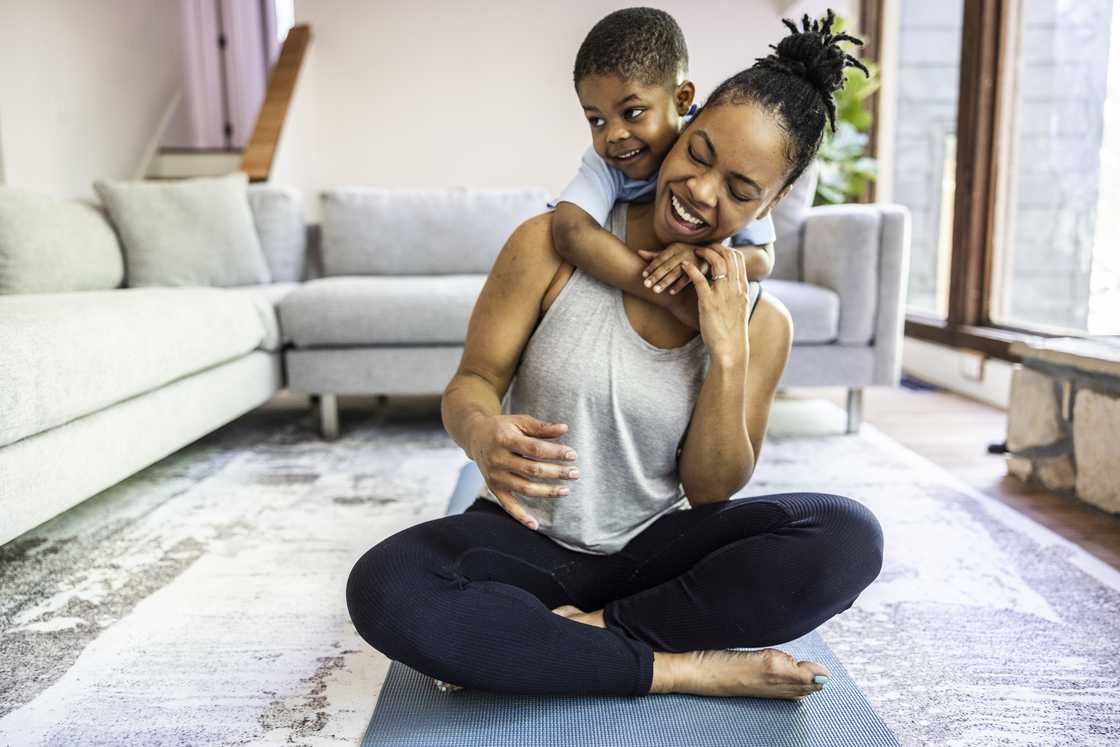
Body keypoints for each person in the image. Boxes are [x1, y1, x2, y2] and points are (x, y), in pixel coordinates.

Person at [347, 11, 882, 701]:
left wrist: (727, 350)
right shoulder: (548, 243)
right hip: (527, 537)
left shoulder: (763, 321)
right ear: (684, 122)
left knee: (847, 535)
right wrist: (483, 433)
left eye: (741, 190)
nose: (700, 191)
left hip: (656, 554)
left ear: (772, 203)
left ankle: (571, 637)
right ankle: (681, 666)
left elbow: (712, 490)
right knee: (384, 587)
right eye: (699, 155)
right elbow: (472, 383)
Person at [551, 7, 777, 304]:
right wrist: (663, 293)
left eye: (632, 112)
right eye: (597, 120)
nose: (613, 135)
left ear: (682, 99)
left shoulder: (719, 153)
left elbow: (762, 258)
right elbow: (569, 229)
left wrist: (702, 259)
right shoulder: (606, 165)